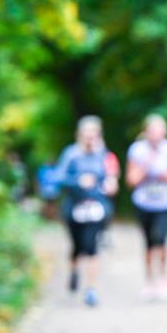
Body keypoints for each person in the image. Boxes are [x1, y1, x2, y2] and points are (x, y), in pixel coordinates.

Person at [57, 115, 117, 307]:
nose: (90, 137)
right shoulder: (70, 154)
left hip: (95, 208)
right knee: (77, 246)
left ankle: (91, 289)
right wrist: (78, 181)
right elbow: (59, 178)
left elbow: (111, 176)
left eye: (94, 133)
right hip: (73, 208)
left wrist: (110, 184)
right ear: (80, 134)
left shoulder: (104, 155)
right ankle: (74, 271)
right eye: (87, 133)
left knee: (92, 246)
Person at [126, 114, 167, 300]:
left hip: (166, 202)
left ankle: (163, 279)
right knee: (149, 243)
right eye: (153, 131)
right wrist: (148, 162)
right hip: (144, 202)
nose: (157, 134)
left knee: (161, 239)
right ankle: (149, 281)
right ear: (146, 132)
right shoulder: (137, 150)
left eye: (160, 130)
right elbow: (131, 179)